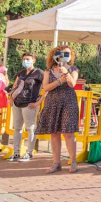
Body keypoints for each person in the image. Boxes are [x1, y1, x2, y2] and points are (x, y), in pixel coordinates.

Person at [38, 45, 80, 173]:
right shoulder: (48, 71)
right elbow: (46, 87)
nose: (65, 56)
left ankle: (73, 161)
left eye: (68, 54)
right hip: (52, 102)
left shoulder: (73, 69)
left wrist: (66, 73)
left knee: (68, 133)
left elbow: (73, 84)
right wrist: (59, 81)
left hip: (68, 102)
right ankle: (56, 162)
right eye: (63, 54)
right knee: (54, 133)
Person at [8, 53, 44, 162]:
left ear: (33, 60)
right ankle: (16, 152)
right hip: (17, 103)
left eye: (28, 59)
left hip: (30, 104)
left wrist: (38, 102)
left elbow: (46, 88)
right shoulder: (21, 72)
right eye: (24, 59)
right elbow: (15, 86)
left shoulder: (39, 73)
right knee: (17, 128)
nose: (25, 61)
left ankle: (29, 152)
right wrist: (11, 97)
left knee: (30, 128)